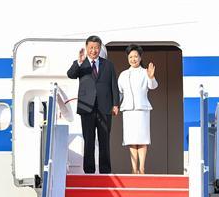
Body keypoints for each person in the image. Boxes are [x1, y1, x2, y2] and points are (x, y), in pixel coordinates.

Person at [67, 36, 119, 174]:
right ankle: (89, 170)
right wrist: (79, 62)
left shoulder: (108, 64)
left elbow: (114, 85)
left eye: (96, 48)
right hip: (87, 108)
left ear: (100, 48)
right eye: (91, 47)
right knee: (88, 140)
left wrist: (115, 104)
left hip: (105, 107)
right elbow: (71, 74)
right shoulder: (81, 63)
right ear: (86, 47)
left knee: (104, 140)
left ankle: (105, 170)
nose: (93, 50)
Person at [117, 44, 157, 174]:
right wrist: (115, 105)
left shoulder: (145, 72)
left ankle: (142, 168)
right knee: (132, 141)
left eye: (135, 56)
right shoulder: (123, 74)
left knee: (142, 140)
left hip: (142, 110)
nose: (133, 59)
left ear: (140, 58)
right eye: (130, 57)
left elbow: (153, 86)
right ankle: (134, 169)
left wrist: (151, 77)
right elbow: (119, 93)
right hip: (128, 110)